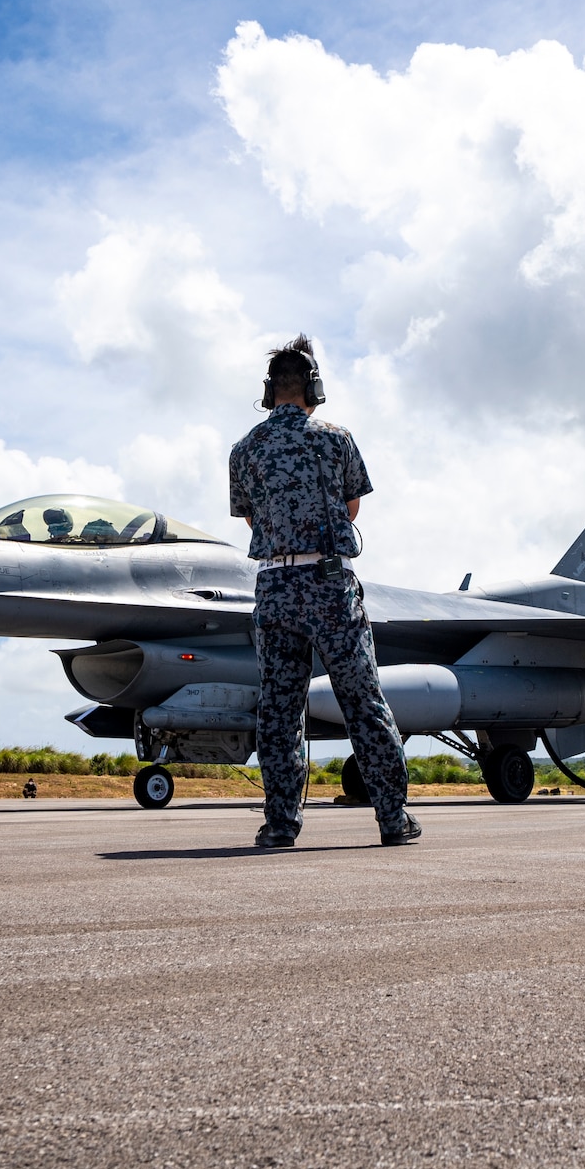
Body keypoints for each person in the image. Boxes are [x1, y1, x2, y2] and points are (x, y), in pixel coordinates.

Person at [228, 335, 416, 849]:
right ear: (315, 387)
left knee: (279, 711)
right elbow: (353, 506)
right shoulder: (336, 438)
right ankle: (393, 819)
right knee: (362, 701)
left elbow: (250, 517)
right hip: (330, 585)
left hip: (274, 587)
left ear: (269, 392)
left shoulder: (244, 450)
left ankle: (280, 826)